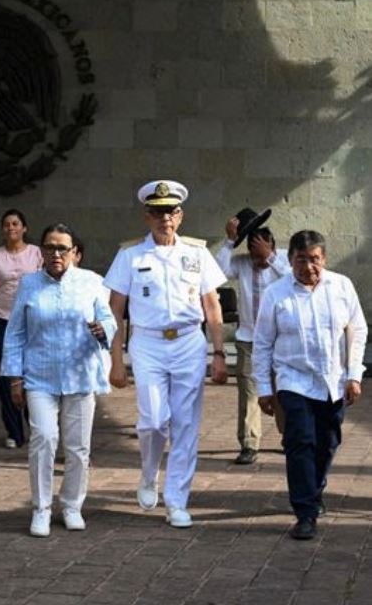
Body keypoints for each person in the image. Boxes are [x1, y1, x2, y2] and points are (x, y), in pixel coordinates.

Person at [104, 180, 227, 529]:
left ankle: (177, 500)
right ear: (147, 216)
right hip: (148, 343)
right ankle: (148, 475)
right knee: (153, 420)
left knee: (186, 424)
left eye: (171, 212)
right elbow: (116, 310)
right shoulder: (130, 255)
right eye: (158, 213)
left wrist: (218, 352)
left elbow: (212, 305)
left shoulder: (197, 253)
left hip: (189, 340)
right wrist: (116, 360)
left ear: (180, 215)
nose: (165, 219)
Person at [252, 230, 367, 540]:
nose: (309, 267)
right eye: (301, 260)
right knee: (300, 441)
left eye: (315, 260)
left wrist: (354, 375)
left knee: (327, 442)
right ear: (290, 260)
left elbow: (357, 329)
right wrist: (264, 387)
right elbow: (262, 343)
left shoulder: (341, 286)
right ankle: (305, 513)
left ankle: (314, 490)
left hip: (333, 380)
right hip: (293, 380)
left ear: (324, 259)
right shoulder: (276, 294)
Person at [2, 224, 115, 537]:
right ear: (41, 251)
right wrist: (14, 379)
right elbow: (15, 333)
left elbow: (109, 319)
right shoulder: (29, 284)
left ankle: (72, 505)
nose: (56, 254)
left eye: (62, 248)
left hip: (79, 375)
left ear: (74, 253)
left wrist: (103, 330)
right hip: (40, 376)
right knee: (44, 438)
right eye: (49, 247)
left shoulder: (92, 282)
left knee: (78, 447)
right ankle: (41, 508)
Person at [216, 208, 291, 465]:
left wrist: (269, 258)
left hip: (282, 339)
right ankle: (249, 443)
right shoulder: (242, 263)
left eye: (262, 246)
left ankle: (289, 437)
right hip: (249, 339)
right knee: (248, 390)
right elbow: (218, 271)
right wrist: (228, 241)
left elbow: (294, 278)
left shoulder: (283, 259)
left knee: (284, 389)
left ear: (272, 245)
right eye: (252, 248)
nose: (256, 254)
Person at [0, 208, 43, 448]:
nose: (11, 228)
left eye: (16, 224)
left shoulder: (36, 254)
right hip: (2, 320)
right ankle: (14, 431)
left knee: (31, 372)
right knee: (6, 375)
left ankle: (35, 425)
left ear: (24, 228)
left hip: (32, 319)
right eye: (7, 224)